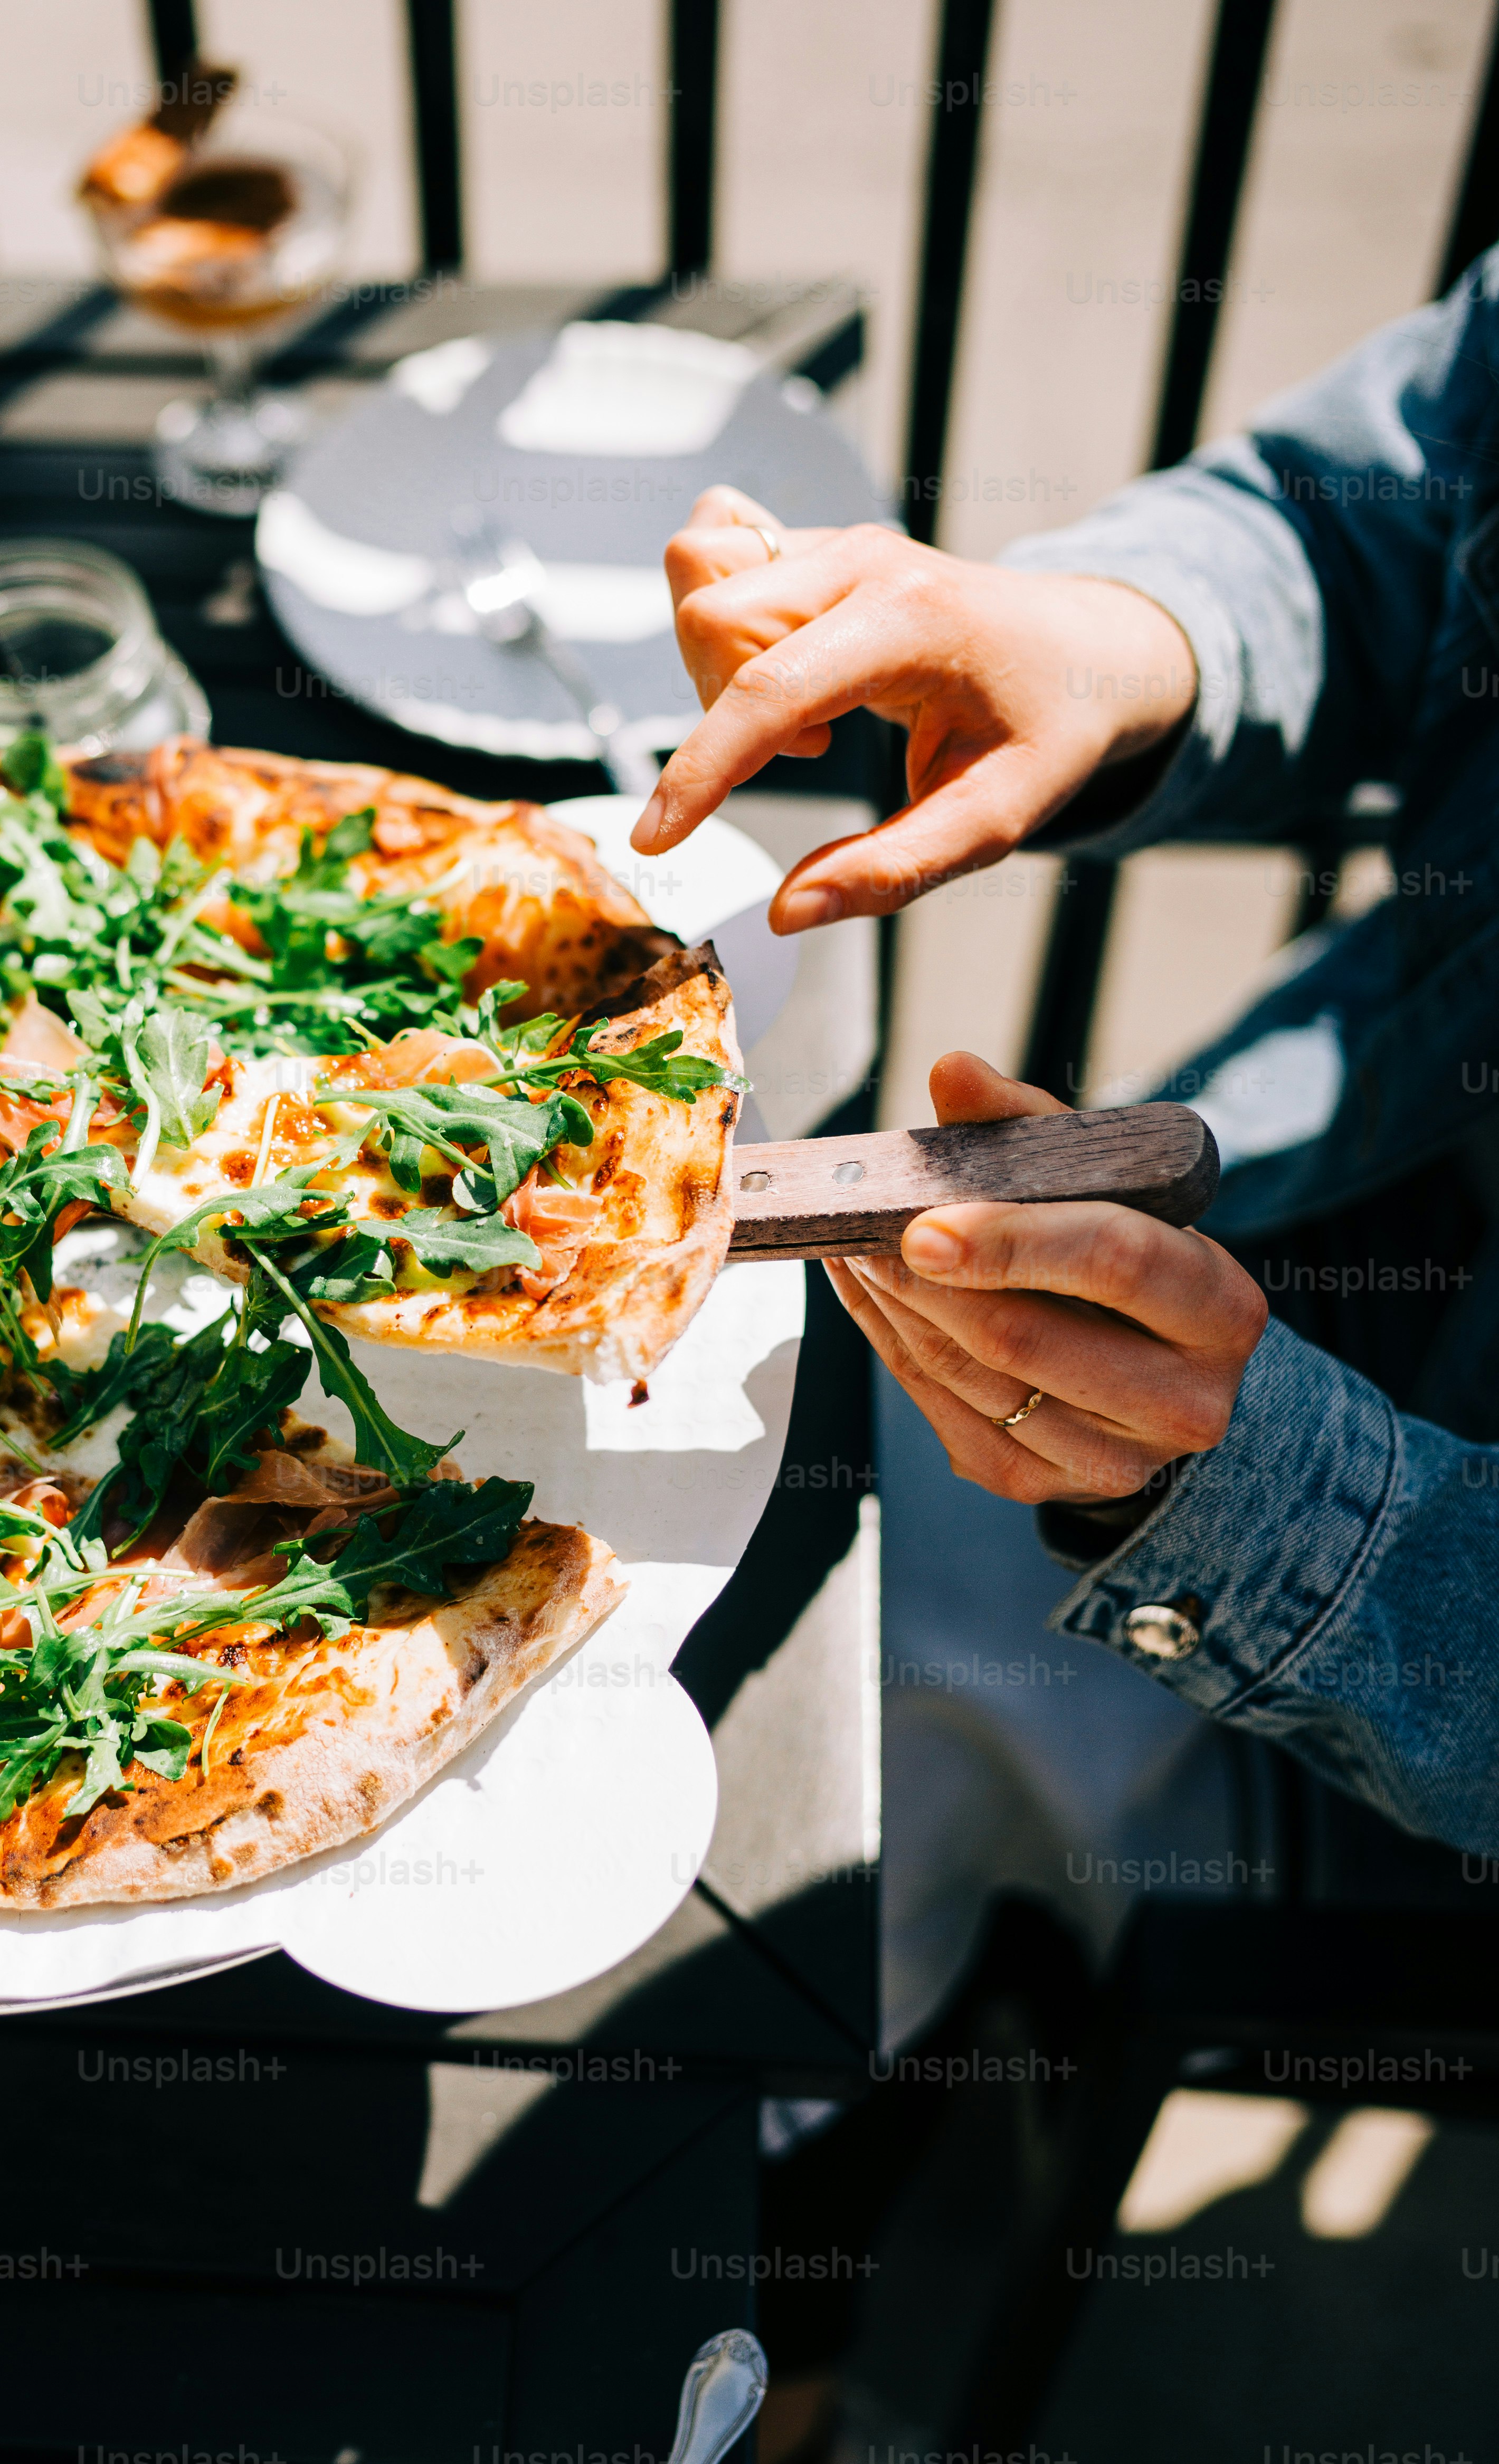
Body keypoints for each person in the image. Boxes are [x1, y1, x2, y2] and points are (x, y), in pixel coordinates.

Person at [635, 253, 1499, 1866]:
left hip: (1420, 1753)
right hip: (1340, 1131)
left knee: (825, 1913)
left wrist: (1271, 1513)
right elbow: (1378, 515)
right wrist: (1107, 640)